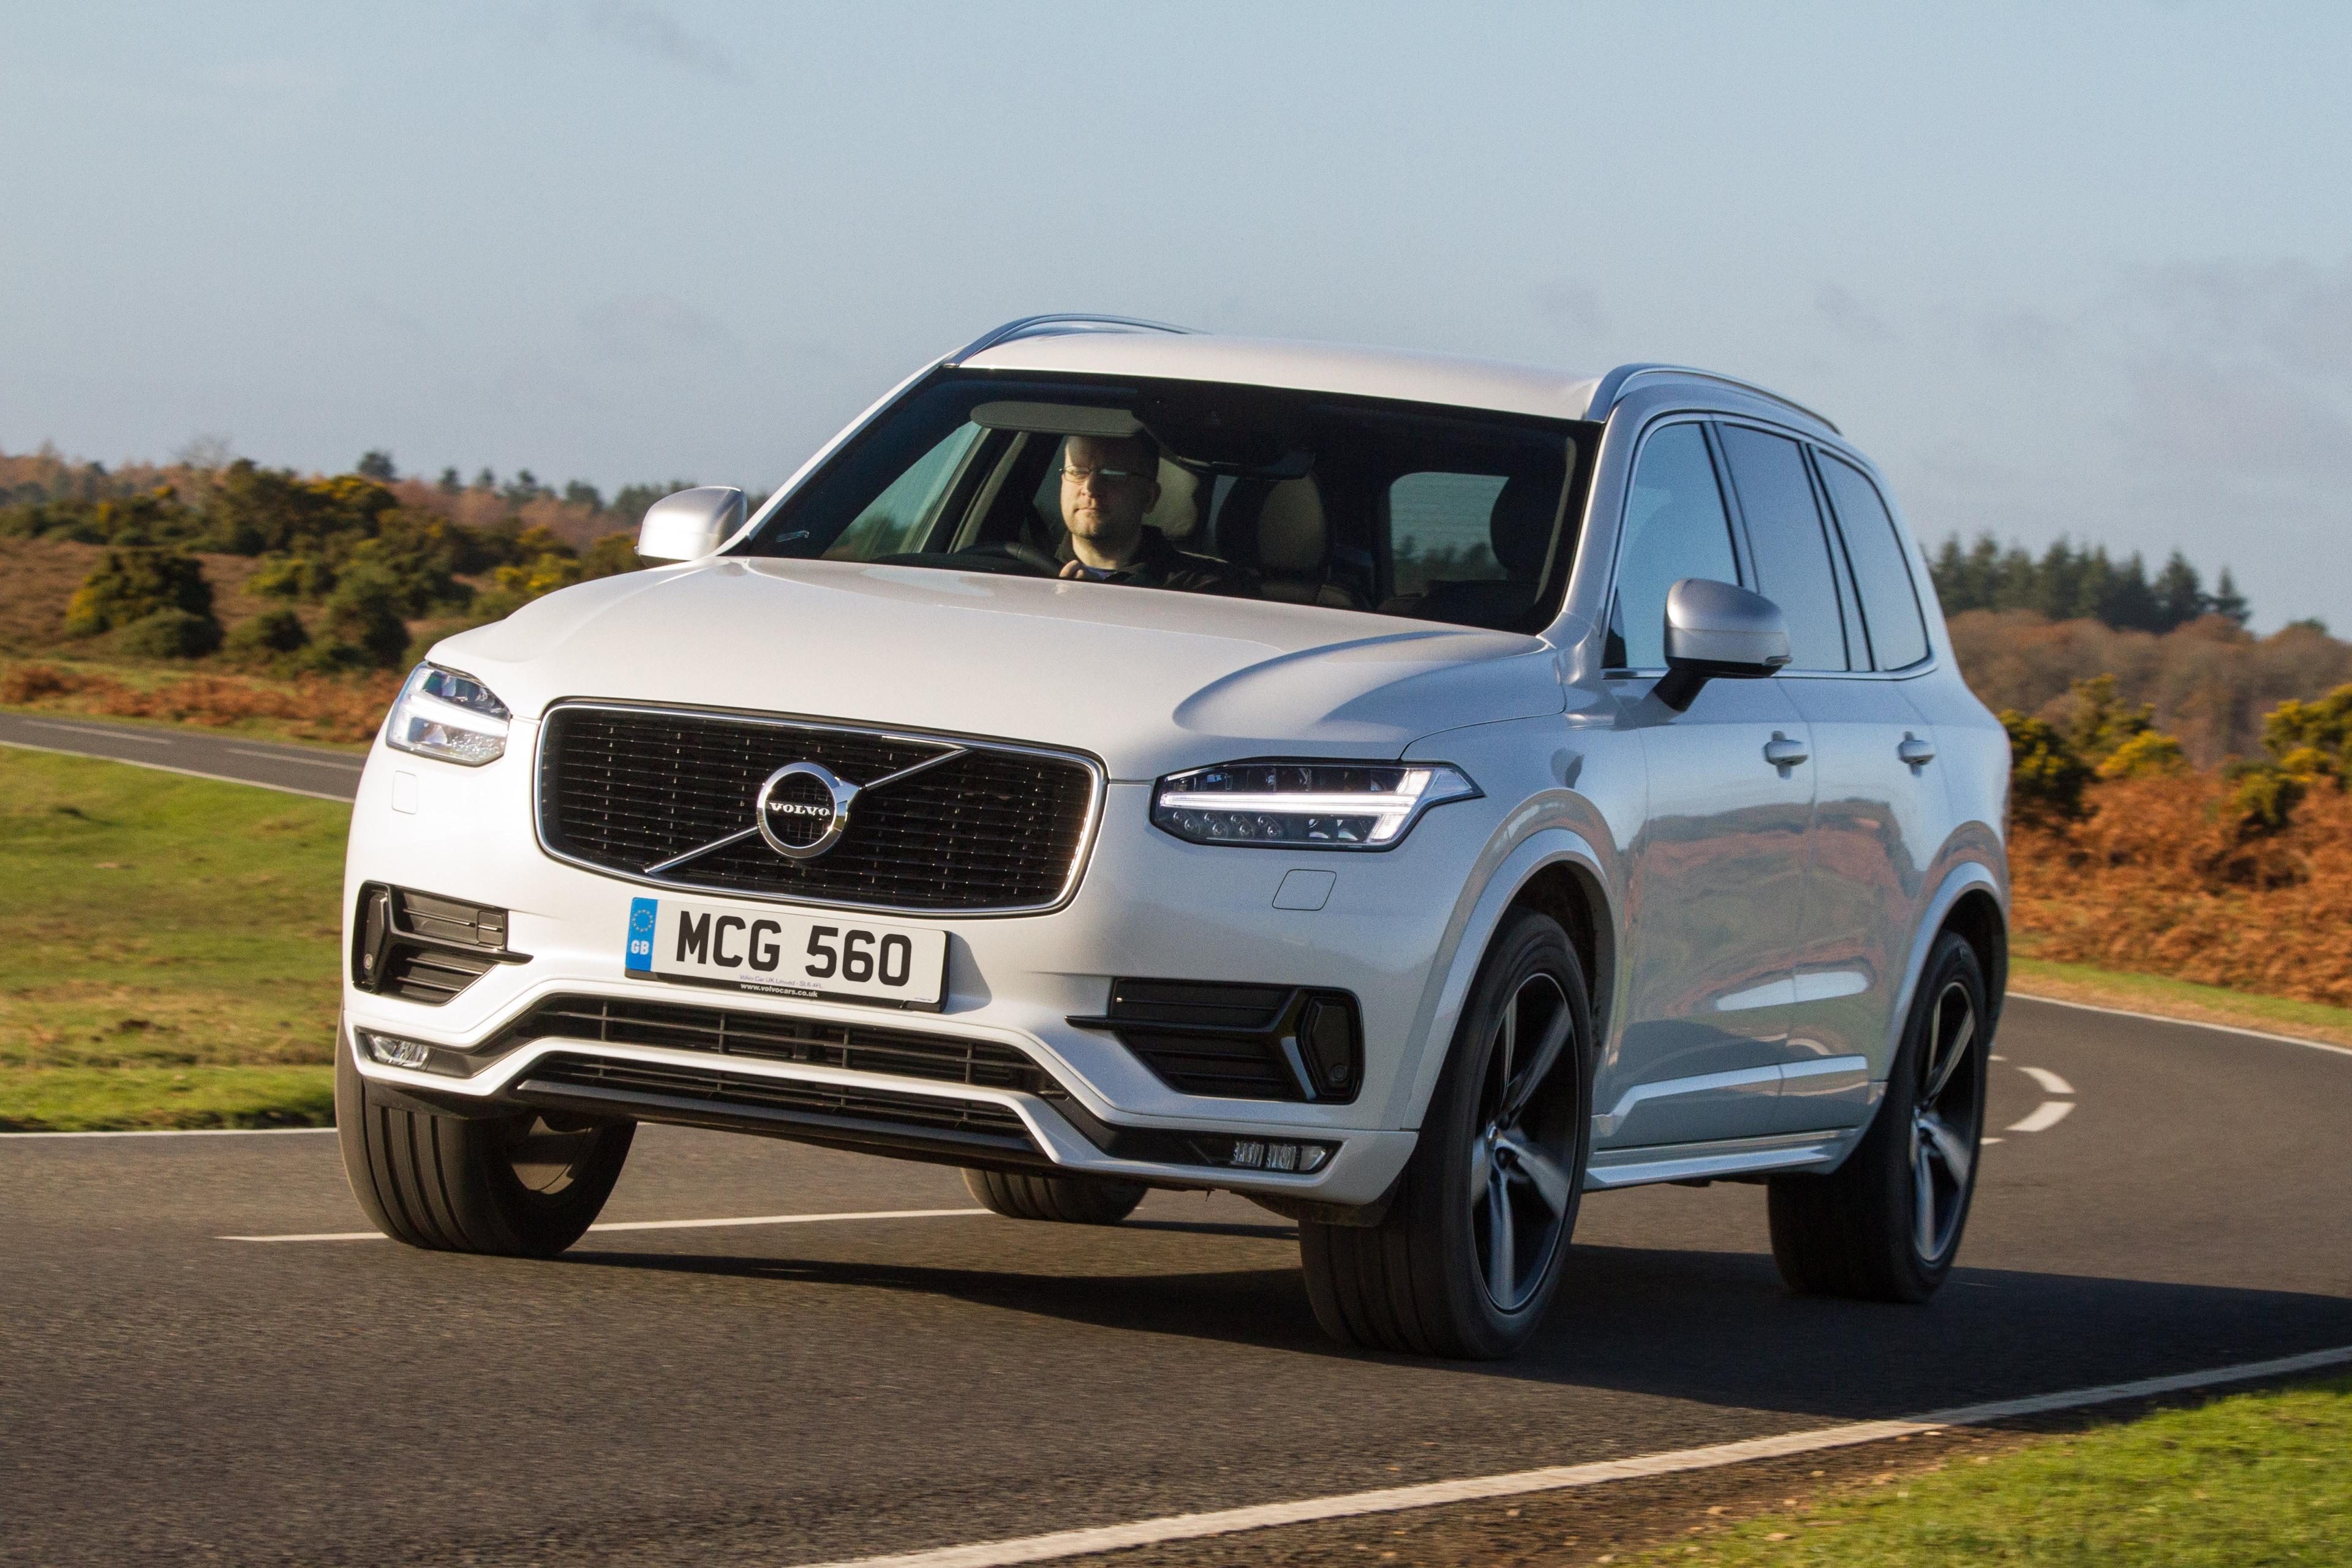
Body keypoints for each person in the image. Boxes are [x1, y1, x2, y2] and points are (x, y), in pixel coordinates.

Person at [1056, 432, 1255, 595]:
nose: (1090, 488)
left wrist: (1106, 604)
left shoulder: (1206, 590)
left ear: (1149, 497)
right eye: (1077, 471)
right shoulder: (1028, 572)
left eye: (1113, 475)